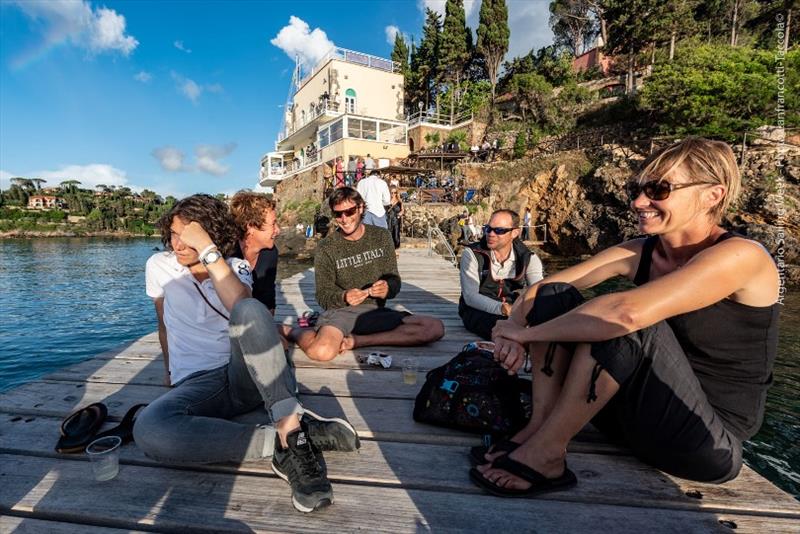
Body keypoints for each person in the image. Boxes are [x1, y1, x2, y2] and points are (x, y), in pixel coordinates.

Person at [470, 138, 780, 498]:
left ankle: (548, 453)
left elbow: (626, 313)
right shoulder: (644, 250)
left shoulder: (743, 256)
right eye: (636, 189)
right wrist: (512, 327)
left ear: (712, 194)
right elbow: (542, 289)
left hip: (705, 441)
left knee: (627, 319)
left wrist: (528, 336)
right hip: (630, 418)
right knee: (556, 297)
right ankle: (539, 428)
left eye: (659, 189)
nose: (638, 202)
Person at [133, 194, 360, 514]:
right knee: (150, 429)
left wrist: (208, 251)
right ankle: (286, 439)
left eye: (187, 236)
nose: (178, 244)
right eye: (173, 234)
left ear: (210, 235)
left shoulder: (234, 267)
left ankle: (290, 428)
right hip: (198, 384)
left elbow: (242, 306)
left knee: (251, 309)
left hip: (246, 375)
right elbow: (163, 321)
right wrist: (169, 371)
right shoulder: (159, 266)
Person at [287, 187, 444, 361]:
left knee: (434, 328)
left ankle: (357, 341)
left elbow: (394, 280)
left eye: (349, 211)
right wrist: (344, 296)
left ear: (361, 208)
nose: (344, 219)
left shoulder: (382, 236)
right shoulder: (326, 247)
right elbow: (323, 296)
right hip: (342, 313)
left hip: (375, 312)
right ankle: (293, 331)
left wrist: (387, 288)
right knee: (322, 352)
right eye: (338, 214)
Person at [458, 209, 544, 341]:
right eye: (488, 228)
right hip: (478, 310)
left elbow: (539, 293)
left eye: (499, 230)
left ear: (514, 233)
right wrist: (502, 309)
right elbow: (470, 297)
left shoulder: (529, 258)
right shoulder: (472, 254)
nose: (491, 234)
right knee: (500, 328)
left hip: (514, 311)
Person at [229, 191, 280, 315]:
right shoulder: (226, 254)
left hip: (254, 321)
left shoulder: (270, 253)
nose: (278, 230)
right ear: (250, 227)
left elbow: (268, 302)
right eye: (273, 224)